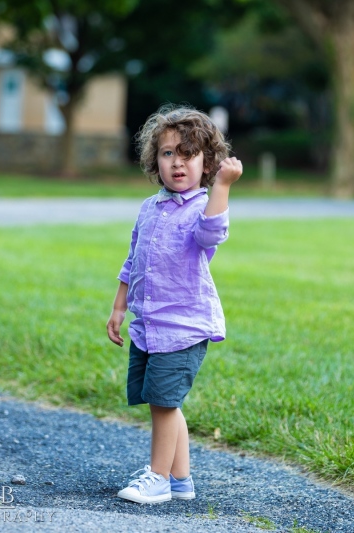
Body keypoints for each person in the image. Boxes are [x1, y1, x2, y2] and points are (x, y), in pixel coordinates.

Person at [106, 104, 242, 504]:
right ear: (155, 160)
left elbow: (211, 234)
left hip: (183, 327)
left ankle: (158, 477)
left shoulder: (203, 208)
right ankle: (181, 480)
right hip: (150, 324)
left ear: (207, 163)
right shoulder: (150, 207)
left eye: (188, 154)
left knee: (165, 403)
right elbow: (133, 260)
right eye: (168, 153)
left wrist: (223, 187)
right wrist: (119, 307)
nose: (177, 163)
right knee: (164, 402)